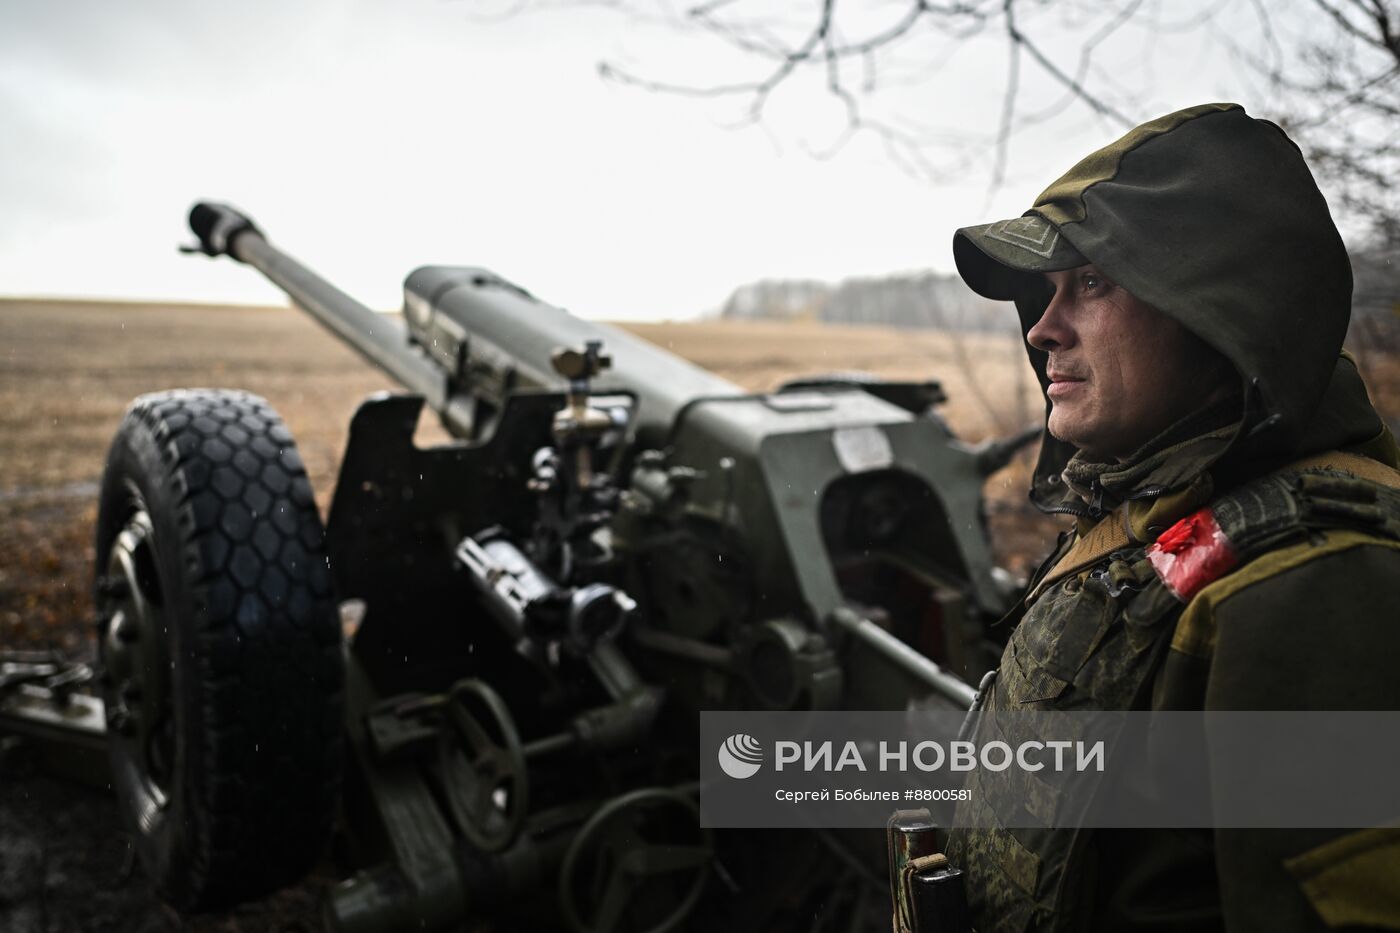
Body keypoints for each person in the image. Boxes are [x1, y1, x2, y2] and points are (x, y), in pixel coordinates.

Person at [942, 102, 1400, 931]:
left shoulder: (1311, 581)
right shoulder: (1146, 510)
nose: (1044, 329)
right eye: (1045, 291)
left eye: (1091, 281)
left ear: (1216, 308)